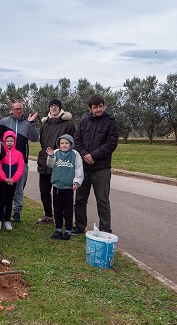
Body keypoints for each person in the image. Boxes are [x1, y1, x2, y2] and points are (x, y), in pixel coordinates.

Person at [73, 94, 119, 234]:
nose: (99, 109)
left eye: (101, 106)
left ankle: (105, 229)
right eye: (95, 107)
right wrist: (85, 155)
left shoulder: (110, 122)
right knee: (80, 199)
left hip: (101, 168)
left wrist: (94, 155)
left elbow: (111, 143)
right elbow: (77, 140)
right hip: (84, 168)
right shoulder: (83, 122)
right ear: (90, 108)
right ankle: (80, 226)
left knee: (102, 200)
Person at [0, 100, 39, 222]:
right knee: (4, 187)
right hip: (5, 161)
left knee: (19, 188)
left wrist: (31, 123)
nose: (18, 111)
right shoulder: (4, 122)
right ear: (12, 109)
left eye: (20, 109)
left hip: (21, 161)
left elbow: (35, 138)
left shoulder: (27, 123)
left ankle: (17, 211)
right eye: (16, 109)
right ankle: (4, 211)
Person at [36, 99, 76, 225]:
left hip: (61, 163)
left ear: (60, 108)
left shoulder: (68, 125)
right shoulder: (44, 125)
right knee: (44, 190)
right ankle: (48, 215)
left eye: (56, 106)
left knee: (60, 193)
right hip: (45, 161)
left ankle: (63, 217)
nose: (53, 108)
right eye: (51, 106)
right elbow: (42, 142)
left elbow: (72, 144)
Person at [46, 134, 84, 240]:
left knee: (68, 209)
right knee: (57, 208)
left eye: (66, 143)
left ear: (71, 144)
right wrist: (50, 156)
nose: (64, 145)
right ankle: (58, 228)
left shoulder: (75, 154)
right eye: (62, 143)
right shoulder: (56, 153)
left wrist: (76, 182)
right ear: (59, 144)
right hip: (57, 186)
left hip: (68, 187)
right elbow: (50, 164)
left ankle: (68, 229)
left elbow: (78, 169)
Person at [0, 131, 24, 231]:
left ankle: (7, 220)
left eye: (11, 141)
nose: (9, 143)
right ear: (4, 141)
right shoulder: (1, 152)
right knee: (2, 200)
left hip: (13, 181)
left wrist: (14, 179)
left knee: (9, 201)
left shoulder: (19, 154)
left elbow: (21, 167)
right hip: (3, 181)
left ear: (14, 141)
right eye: (7, 141)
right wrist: (4, 178)